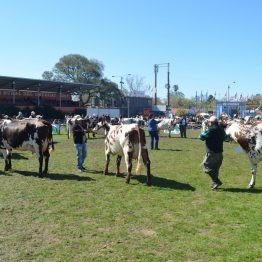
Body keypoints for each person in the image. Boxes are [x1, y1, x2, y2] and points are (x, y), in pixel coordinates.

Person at [199, 115, 228, 190]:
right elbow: (226, 138)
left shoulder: (210, 130)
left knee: (206, 167)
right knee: (215, 169)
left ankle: (216, 181)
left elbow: (201, 137)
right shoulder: (221, 129)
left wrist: (204, 129)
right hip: (220, 153)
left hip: (211, 153)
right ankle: (215, 184)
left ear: (211, 122)